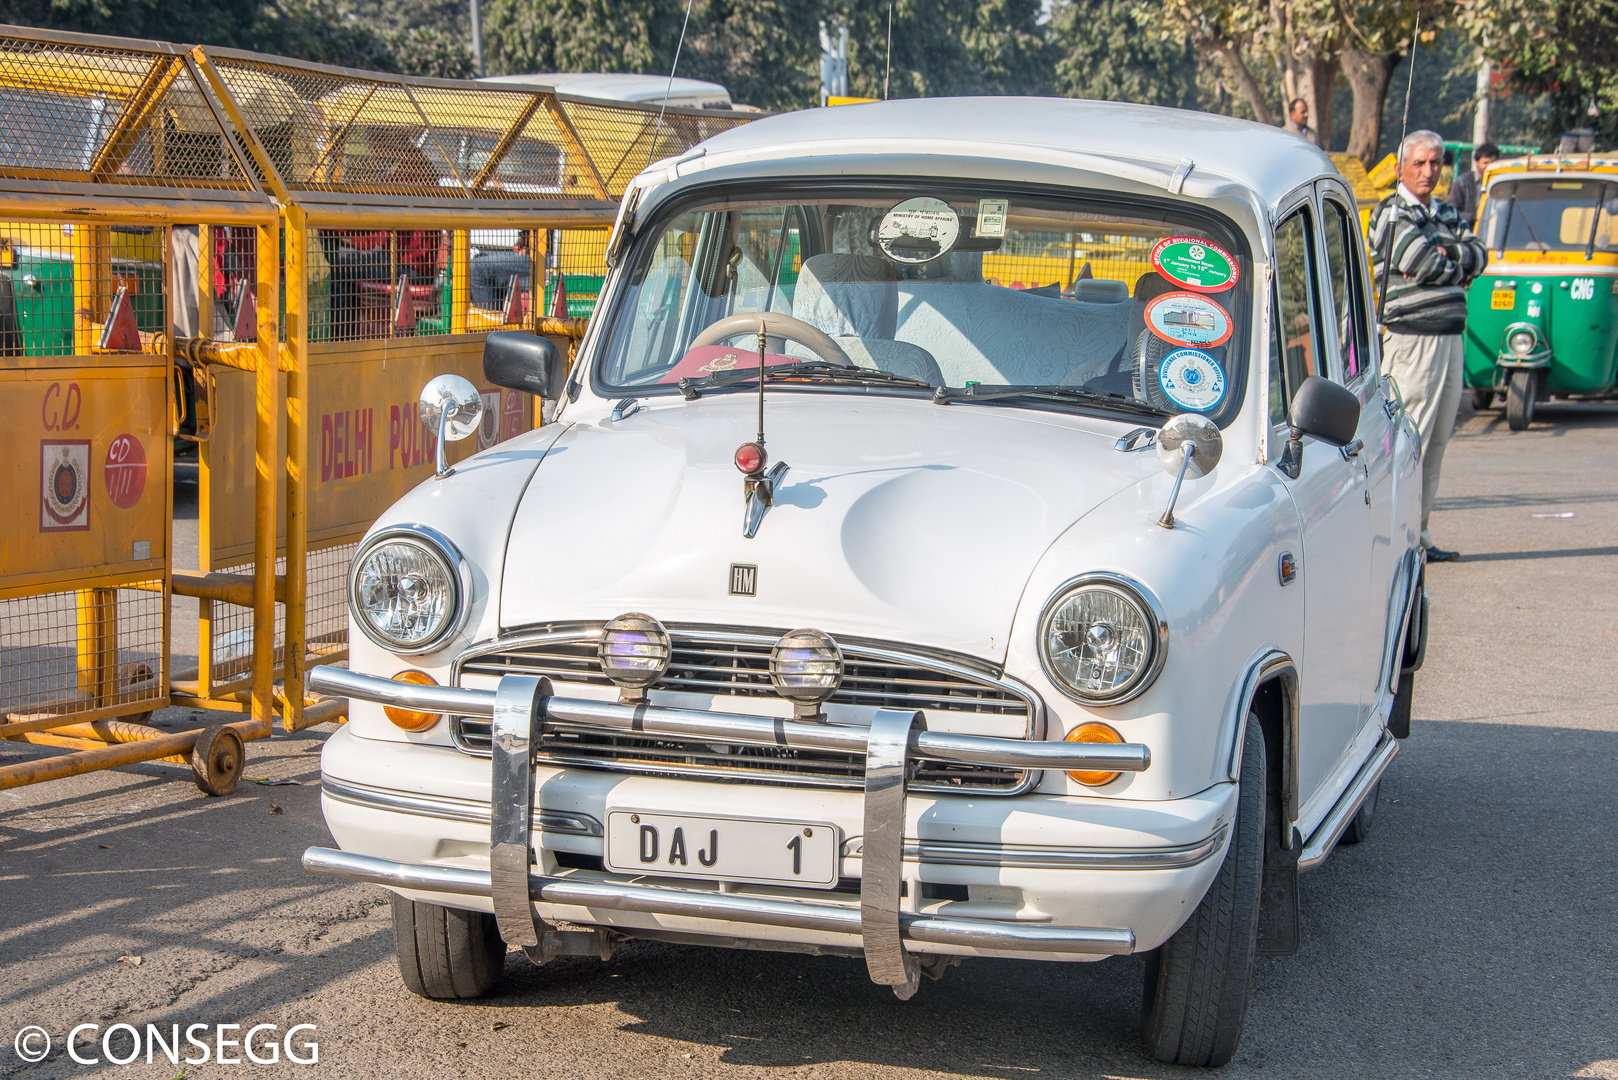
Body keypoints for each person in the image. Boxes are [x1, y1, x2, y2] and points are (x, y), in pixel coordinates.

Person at [1369, 130, 1489, 563]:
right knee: (1408, 440)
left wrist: (1449, 257)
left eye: (1435, 163)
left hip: (1450, 338)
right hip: (1413, 339)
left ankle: (1419, 533)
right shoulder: (1392, 211)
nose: (1428, 171)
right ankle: (1396, 536)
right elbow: (1421, 261)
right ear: (1402, 166)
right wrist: (1455, 262)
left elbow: (1480, 254)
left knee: (1436, 441)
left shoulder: (1445, 211)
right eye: (1419, 163)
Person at [470, 232, 531, 312]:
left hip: (543, 259)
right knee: (478, 258)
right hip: (526, 251)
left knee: (477, 268)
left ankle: (489, 323)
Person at [1447, 141, 1499, 229]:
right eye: (1485, 163)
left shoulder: (1500, 182)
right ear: (1476, 162)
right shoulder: (1462, 183)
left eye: (1492, 162)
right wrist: (1475, 217)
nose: (1489, 167)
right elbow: (1452, 211)